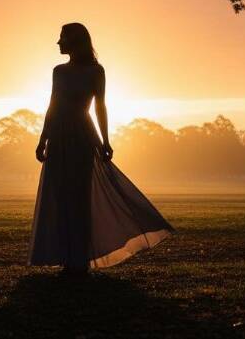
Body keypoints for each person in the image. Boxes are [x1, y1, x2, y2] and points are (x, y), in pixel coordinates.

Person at [28, 22, 175, 276]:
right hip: (59, 137)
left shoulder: (96, 71)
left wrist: (105, 140)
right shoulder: (58, 72)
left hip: (82, 137)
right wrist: (43, 139)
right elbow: (52, 106)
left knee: (80, 198)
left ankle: (80, 260)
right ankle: (67, 258)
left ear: (74, 41)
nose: (58, 42)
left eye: (62, 37)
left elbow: (100, 107)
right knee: (60, 197)